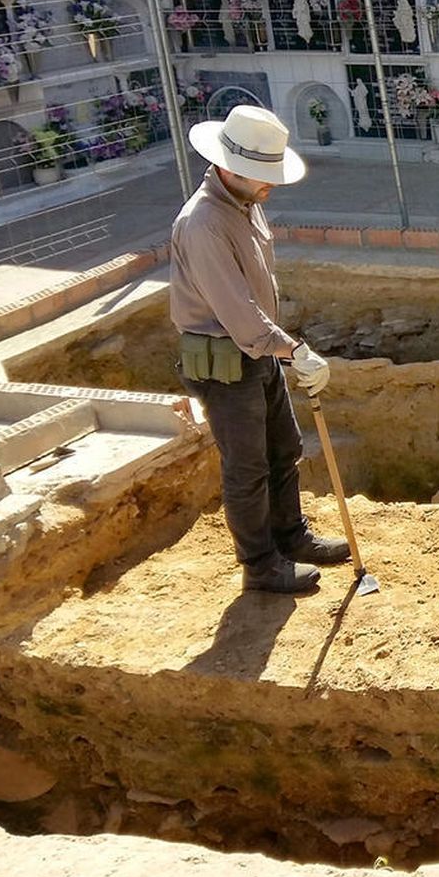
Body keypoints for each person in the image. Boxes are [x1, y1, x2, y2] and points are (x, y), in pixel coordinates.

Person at [170, 105, 347, 593]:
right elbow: (236, 307)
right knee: (247, 467)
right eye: (261, 175)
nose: (271, 185)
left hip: (256, 351)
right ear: (229, 168)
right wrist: (293, 350)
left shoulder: (245, 202)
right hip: (225, 361)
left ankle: (291, 538)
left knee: (283, 449)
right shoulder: (204, 223)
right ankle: (260, 564)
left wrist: (277, 349)